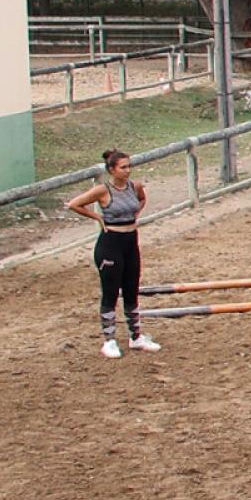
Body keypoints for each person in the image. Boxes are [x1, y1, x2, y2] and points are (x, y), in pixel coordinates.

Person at [66, 149, 160, 359]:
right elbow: (74, 204)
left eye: (129, 166)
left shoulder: (134, 186)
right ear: (111, 170)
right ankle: (109, 340)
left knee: (131, 289)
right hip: (110, 244)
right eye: (123, 167)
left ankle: (136, 337)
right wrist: (98, 218)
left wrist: (134, 214)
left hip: (130, 241)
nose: (127, 171)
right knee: (110, 293)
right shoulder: (102, 190)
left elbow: (142, 199)